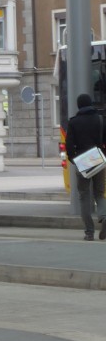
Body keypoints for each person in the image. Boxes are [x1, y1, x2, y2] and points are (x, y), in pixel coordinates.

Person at [65, 92, 106, 240]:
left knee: (84, 196)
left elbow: (69, 145)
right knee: (99, 193)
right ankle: (104, 216)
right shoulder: (100, 119)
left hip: (83, 160)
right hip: (98, 157)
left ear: (79, 106)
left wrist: (74, 160)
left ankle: (89, 232)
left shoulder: (74, 122)